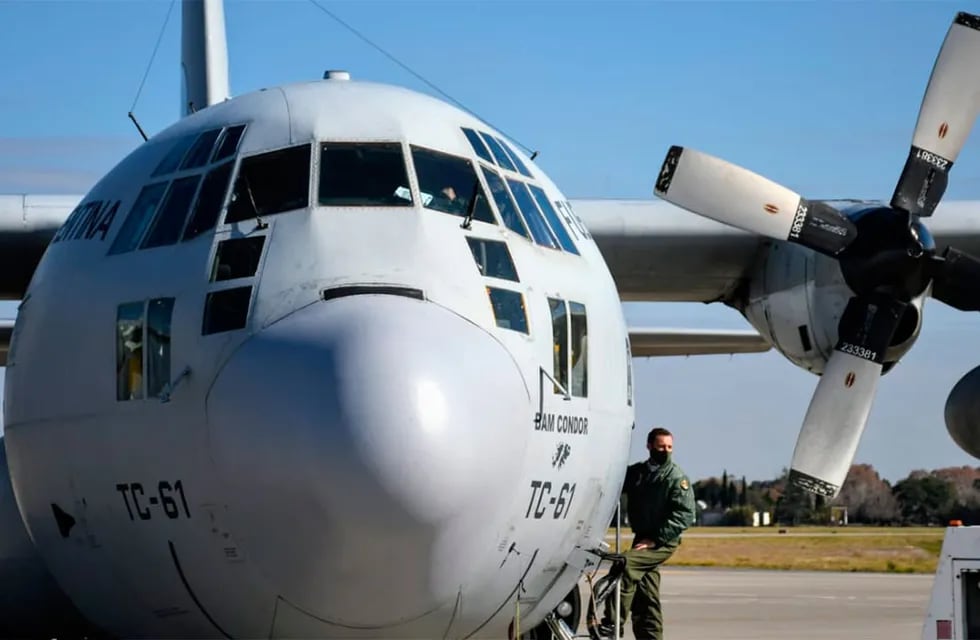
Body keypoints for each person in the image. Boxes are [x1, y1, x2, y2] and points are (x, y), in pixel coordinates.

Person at [600, 427, 696, 640]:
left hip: (662, 541)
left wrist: (656, 539)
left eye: (669, 447)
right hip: (642, 537)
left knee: (624, 565)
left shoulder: (676, 478)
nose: (666, 451)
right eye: (661, 446)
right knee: (646, 594)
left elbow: (686, 514)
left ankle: (612, 624)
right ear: (649, 446)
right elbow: (613, 481)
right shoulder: (639, 473)